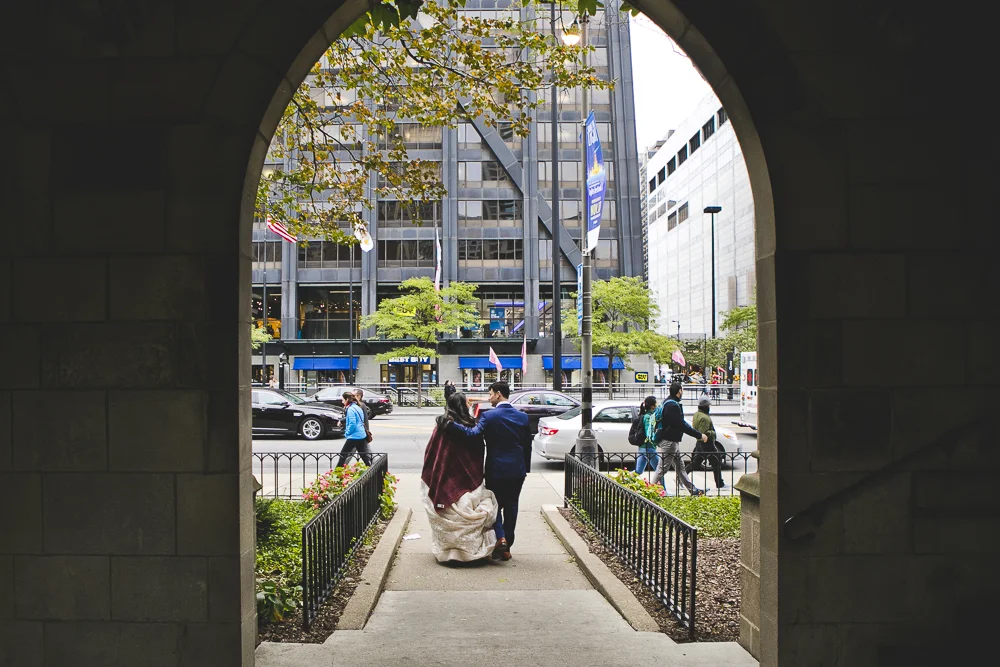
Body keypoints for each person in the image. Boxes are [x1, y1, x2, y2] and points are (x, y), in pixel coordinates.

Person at [447, 381, 530, 561]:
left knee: (495, 505)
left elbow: (472, 434)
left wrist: (451, 424)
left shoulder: (489, 416)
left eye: (491, 393)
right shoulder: (522, 417)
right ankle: (508, 541)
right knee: (512, 505)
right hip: (517, 469)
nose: (489, 397)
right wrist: (526, 468)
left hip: (496, 468)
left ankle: (500, 538)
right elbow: (527, 446)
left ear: (499, 394)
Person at [420, 392, 498, 562]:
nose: (470, 405)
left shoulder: (442, 425)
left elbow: (433, 453)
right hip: (468, 480)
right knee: (466, 509)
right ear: (462, 405)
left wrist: (435, 475)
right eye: (468, 402)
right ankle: (467, 552)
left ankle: (448, 552)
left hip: (445, 477)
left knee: (450, 513)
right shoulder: (469, 426)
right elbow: (477, 451)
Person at [651, 382, 707, 496]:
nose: (683, 392)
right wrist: (699, 435)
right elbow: (681, 425)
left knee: (680, 468)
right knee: (662, 469)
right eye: (682, 390)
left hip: (670, 441)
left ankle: (693, 491)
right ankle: (648, 492)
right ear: (679, 391)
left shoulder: (667, 402)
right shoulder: (673, 406)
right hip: (669, 442)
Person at [690, 394, 726, 490]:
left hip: (699, 443)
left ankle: (681, 477)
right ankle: (720, 483)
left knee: (695, 463)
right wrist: (712, 432)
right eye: (709, 405)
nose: (710, 407)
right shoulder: (704, 418)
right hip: (707, 444)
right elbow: (704, 433)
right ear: (706, 406)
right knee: (716, 462)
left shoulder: (697, 414)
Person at [336, 391, 373, 467]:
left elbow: (352, 423)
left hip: (354, 436)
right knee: (364, 455)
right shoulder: (357, 407)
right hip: (361, 435)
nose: (342, 402)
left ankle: (337, 473)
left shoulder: (351, 409)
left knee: (343, 455)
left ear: (347, 400)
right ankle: (370, 469)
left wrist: (347, 433)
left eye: (343, 400)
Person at [635, 395, 661, 476]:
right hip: (648, 448)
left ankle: (622, 480)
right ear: (652, 406)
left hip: (643, 447)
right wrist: (656, 441)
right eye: (656, 403)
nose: (657, 405)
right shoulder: (648, 417)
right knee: (659, 471)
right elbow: (648, 433)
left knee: (638, 471)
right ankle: (663, 489)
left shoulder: (648, 416)